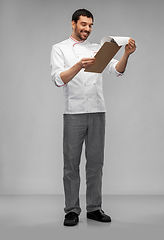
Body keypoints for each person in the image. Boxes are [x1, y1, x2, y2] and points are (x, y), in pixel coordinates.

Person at [50, 9, 136, 227]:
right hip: (73, 113)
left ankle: (94, 208)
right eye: (83, 24)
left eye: (90, 25)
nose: (87, 29)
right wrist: (79, 65)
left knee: (95, 164)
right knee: (71, 165)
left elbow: (116, 71)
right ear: (73, 24)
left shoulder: (98, 48)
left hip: (98, 112)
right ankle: (71, 211)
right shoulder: (59, 48)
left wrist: (126, 54)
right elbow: (58, 79)